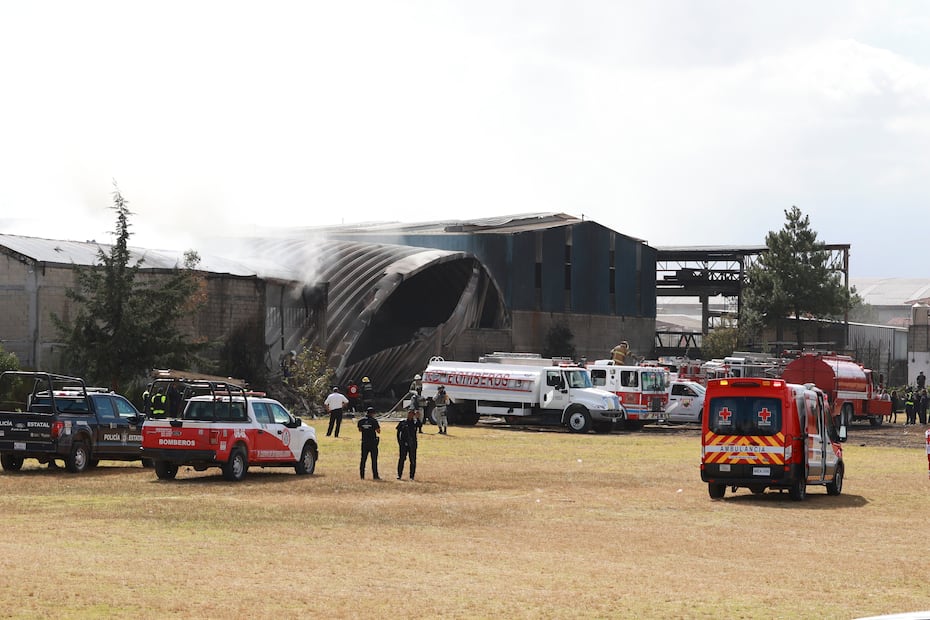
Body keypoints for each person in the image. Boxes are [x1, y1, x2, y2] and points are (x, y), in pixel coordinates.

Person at [357, 406, 380, 479]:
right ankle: (375, 476)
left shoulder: (361, 421)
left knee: (363, 459)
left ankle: (362, 475)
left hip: (364, 442)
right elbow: (378, 431)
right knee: (374, 460)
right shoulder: (374, 421)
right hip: (373, 442)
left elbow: (360, 430)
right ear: (372, 413)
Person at [396, 409, 418, 480]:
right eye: (409, 413)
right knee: (402, 459)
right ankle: (399, 475)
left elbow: (420, 425)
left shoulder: (415, 422)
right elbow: (398, 432)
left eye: (412, 414)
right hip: (403, 443)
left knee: (412, 460)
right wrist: (400, 442)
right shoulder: (403, 422)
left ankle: (412, 476)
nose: (410, 415)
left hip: (412, 444)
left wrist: (417, 418)